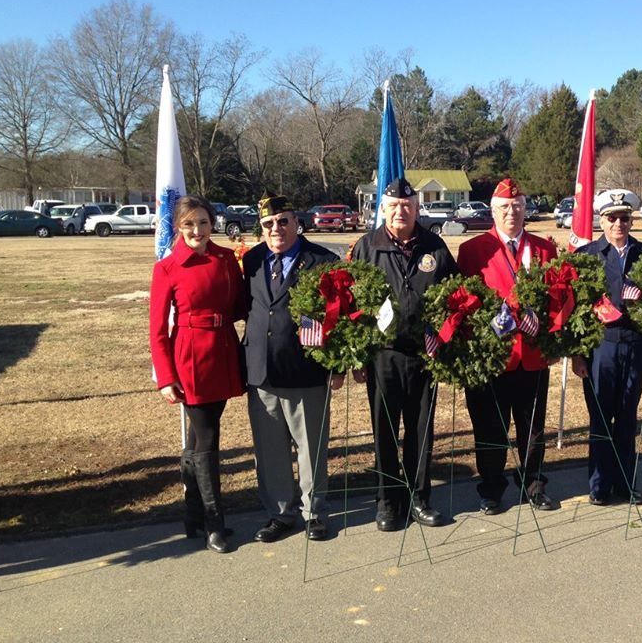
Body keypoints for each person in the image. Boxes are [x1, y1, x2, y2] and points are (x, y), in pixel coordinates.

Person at [350, 178, 459, 532]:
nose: (401, 211)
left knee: (421, 430)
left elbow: (455, 296)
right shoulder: (367, 247)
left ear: (417, 208)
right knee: (384, 430)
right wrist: (357, 356)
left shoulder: (435, 246)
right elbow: (350, 303)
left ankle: (419, 498)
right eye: (394, 206)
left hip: (424, 355)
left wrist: (444, 338)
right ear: (383, 208)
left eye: (408, 206)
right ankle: (387, 500)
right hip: (383, 357)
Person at [149, 195, 246, 554]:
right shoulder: (168, 267)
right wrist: (165, 376)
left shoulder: (224, 259)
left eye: (203, 222)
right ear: (178, 227)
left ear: (212, 224)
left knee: (196, 439)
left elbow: (240, 304)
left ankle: (191, 514)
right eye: (189, 224)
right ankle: (213, 521)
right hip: (190, 358)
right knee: (207, 438)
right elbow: (157, 329)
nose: (197, 230)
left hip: (223, 350)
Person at [242, 194, 343, 543]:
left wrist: (339, 365)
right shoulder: (252, 260)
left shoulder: (322, 261)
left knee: (311, 448)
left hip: (306, 372)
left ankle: (314, 513)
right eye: (268, 224)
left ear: (297, 223)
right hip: (262, 372)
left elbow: (340, 318)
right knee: (269, 451)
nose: (276, 229)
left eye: (283, 221)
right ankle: (280, 514)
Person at [457, 178, 559, 514]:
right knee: (490, 428)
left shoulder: (544, 249)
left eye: (517, 206)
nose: (511, 213)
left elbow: (556, 300)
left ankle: (533, 484)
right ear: (492, 211)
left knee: (533, 430)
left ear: (525, 208)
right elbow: (463, 303)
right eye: (504, 208)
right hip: (493, 359)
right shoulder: (472, 250)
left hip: (532, 357)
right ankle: (491, 488)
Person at [572, 191, 642, 506]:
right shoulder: (587, 256)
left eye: (625, 218)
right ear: (602, 220)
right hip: (600, 348)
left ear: (631, 219)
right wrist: (577, 353)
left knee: (626, 417)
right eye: (612, 218)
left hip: (636, 346)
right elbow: (577, 311)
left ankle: (625, 483)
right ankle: (599, 485)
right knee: (600, 417)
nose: (619, 224)